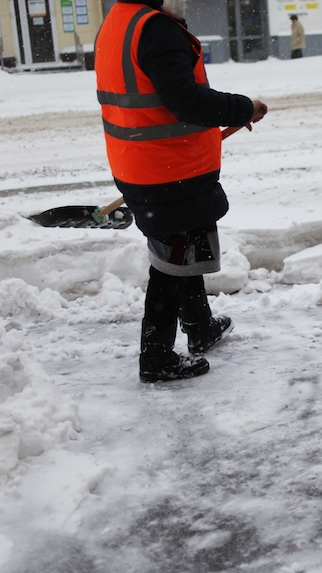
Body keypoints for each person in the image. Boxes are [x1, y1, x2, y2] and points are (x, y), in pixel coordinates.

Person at [95, 0, 268, 382]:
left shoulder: (120, 22)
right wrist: (243, 108)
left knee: (185, 242)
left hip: (138, 160)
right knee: (171, 261)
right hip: (168, 167)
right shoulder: (156, 29)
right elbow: (185, 101)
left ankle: (199, 325)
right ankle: (156, 357)